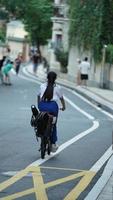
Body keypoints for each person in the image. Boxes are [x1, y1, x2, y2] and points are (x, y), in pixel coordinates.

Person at [37, 71, 66, 152]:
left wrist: (39, 105)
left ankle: (41, 137)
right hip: (53, 107)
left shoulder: (42, 86)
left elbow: (38, 96)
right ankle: (53, 143)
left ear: (47, 78)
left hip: (42, 106)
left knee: (42, 122)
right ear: (55, 78)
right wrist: (63, 107)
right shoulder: (58, 87)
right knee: (53, 125)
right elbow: (61, 99)